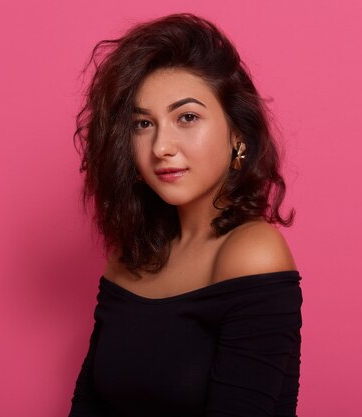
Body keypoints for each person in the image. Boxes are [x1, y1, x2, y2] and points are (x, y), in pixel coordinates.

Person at [68, 13, 303, 417]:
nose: (161, 145)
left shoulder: (252, 253)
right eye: (143, 124)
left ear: (237, 136)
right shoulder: (129, 258)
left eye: (187, 117)